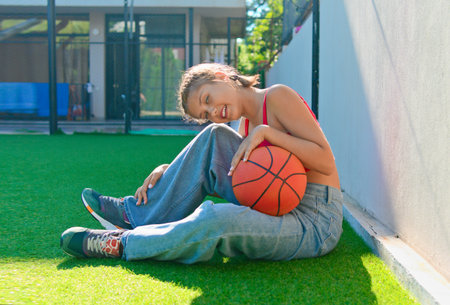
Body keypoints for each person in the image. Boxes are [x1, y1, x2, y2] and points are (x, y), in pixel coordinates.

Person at [60, 63, 343, 263]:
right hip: (281, 206)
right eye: (205, 113)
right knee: (216, 136)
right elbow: (253, 183)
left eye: (207, 99)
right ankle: (132, 217)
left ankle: (120, 244)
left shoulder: (278, 97)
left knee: (215, 219)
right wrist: (170, 171)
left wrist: (267, 133)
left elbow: (326, 162)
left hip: (315, 221)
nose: (213, 112)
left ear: (221, 75)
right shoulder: (243, 126)